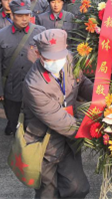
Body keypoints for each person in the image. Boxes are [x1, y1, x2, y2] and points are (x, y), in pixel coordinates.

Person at [22, 29, 93, 198]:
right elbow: (59, 119)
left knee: (78, 188)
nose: (56, 62)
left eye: (59, 56)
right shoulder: (34, 85)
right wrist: (92, 132)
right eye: (49, 58)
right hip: (45, 143)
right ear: (38, 54)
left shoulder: (69, 59)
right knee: (48, 192)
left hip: (68, 140)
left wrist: (101, 98)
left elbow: (81, 82)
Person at [0, 0, 46, 135]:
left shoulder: (40, 32)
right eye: (20, 15)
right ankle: (13, 127)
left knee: (33, 118)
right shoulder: (1, 35)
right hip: (11, 83)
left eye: (27, 15)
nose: (24, 19)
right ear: (12, 15)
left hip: (34, 84)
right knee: (12, 114)